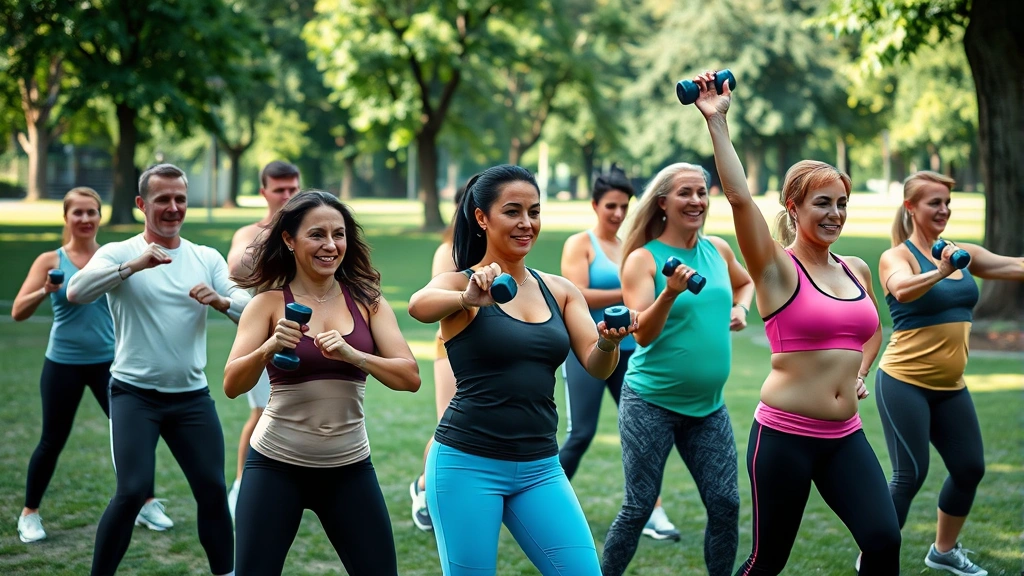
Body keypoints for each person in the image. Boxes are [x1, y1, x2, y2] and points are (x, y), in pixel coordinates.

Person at [687, 71, 902, 576]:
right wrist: (717, 122)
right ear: (793, 207)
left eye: (842, 203)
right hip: (784, 436)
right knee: (768, 562)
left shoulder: (856, 269)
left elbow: (871, 328)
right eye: (823, 203)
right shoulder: (777, 270)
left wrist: (859, 372)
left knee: (884, 538)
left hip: (846, 434)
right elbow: (740, 198)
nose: (835, 214)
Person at [407, 164, 636, 575]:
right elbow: (418, 305)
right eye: (512, 211)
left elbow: (598, 366)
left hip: (540, 466)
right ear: (482, 218)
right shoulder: (460, 283)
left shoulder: (560, 291)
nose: (526, 223)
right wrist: (467, 297)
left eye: (534, 211)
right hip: (466, 462)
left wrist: (609, 342)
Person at [224, 190, 420, 575]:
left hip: (349, 467)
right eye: (317, 235)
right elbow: (232, 383)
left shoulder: (368, 302)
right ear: (289, 240)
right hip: (275, 466)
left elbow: (410, 376)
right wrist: (268, 347)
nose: (330, 245)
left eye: (339, 234)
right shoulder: (267, 304)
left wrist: (355, 355)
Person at [67, 164, 249, 576]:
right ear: (141, 204)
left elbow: (252, 310)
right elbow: (76, 291)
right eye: (162, 199)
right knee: (131, 492)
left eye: (179, 199)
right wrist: (133, 266)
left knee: (212, 492)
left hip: (191, 398)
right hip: (134, 396)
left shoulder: (206, 257)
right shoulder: (118, 252)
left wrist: (221, 302)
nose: (172, 208)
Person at [601, 163, 753, 576]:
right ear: (663, 202)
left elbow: (745, 282)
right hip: (650, 402)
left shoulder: (718, 250)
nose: (697, 201)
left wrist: (741, 308)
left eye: (702, 192)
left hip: (708, 408)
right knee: (637, 507)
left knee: (726, 503)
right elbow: (643, 336)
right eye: (685, 193)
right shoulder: (642, 260)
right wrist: (669, 293)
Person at [875, 171, 1023, 576]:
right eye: (934, 202)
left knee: (969, 467)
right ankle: (873, 554)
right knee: (909, 475)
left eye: (946, 202)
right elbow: (902, 289)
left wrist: (951, 265)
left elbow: (1014, 265)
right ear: (911, 208)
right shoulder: (898, 256)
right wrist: (940, 271)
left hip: (950, 387)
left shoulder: (963, 253)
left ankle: (943, 550)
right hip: (904, 383)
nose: (944, 209)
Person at [11, 188, 168, 541]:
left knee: (134, 434)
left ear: (100, 216)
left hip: (111, 365)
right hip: (62, 363)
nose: (85, 219)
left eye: (91, 212)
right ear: (66, 217)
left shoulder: (112, 257)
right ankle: (29, 513)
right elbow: (18, 312)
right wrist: (44, 292)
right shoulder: (49, 260)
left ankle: (146, 503)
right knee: (52, 439)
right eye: (77, 213)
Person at [558, 166, 680, 540]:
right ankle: (538, 499)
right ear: (595, 205)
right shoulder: (580, 244)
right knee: (582, 433)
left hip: (632, 352)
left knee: (645, 435)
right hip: (589, 350)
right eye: (610, 205)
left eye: (624, 206)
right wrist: (628, 293)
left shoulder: (631, 246)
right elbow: (576, 293)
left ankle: (653, 512)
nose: (617, 213)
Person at [225, 160, 301, 518]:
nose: (287, 196)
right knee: (261, 413)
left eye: (292, 189)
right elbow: (238, 269)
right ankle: (242, 484)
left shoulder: (308, 229)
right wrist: (278, 232)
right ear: (264, 192)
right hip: (266, 339)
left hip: (308, 334)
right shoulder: (251, 232)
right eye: (279, 190)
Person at [410, 184, 466, 532]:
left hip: (488, 352)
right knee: (449, 424)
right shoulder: (449, 251)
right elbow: (435, 305)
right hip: (452, 348)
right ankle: (423, 487)